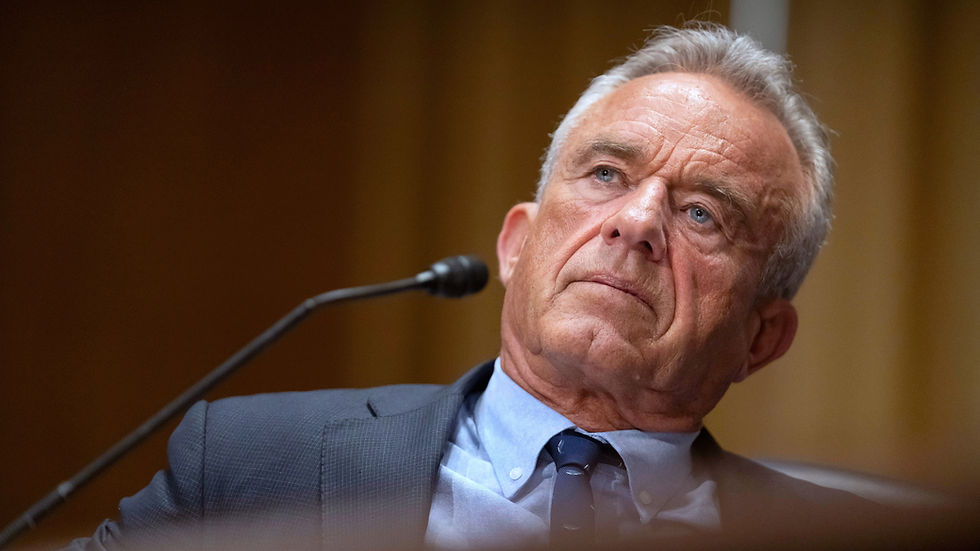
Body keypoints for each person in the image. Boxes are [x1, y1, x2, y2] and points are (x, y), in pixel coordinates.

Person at [68, 23, 882, 551]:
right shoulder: (250, 465)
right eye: (606, 173)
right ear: (519, 244)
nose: (636, 223)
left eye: (703, 213)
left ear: (761, 338)